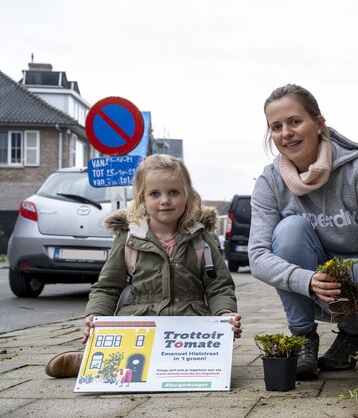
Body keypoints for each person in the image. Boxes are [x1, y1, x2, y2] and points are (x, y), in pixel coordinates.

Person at [249, 84, 358, 381]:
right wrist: (306, 280)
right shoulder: (270, 181)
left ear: (318, 124)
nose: (286, 133)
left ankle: (355, 333)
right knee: (289, 229)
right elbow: (257, 257)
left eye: (295, 122)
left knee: (349, 271)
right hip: (309, 284)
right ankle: (304, 337)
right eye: (276, 127)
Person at [45, 154, 242, 378]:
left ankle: (161, 362)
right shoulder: (129, 239)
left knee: (197, 365)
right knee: (127, 358)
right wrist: (96, 317)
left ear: (186, 195)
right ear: (142, 198)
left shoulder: (201, 239)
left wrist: (225, 314)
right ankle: (87, 359)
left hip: (188, 326)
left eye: (173, 192)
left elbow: (219, 286)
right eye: (155, 194)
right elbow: (107, 287)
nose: (165, 200)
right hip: (138, 323)